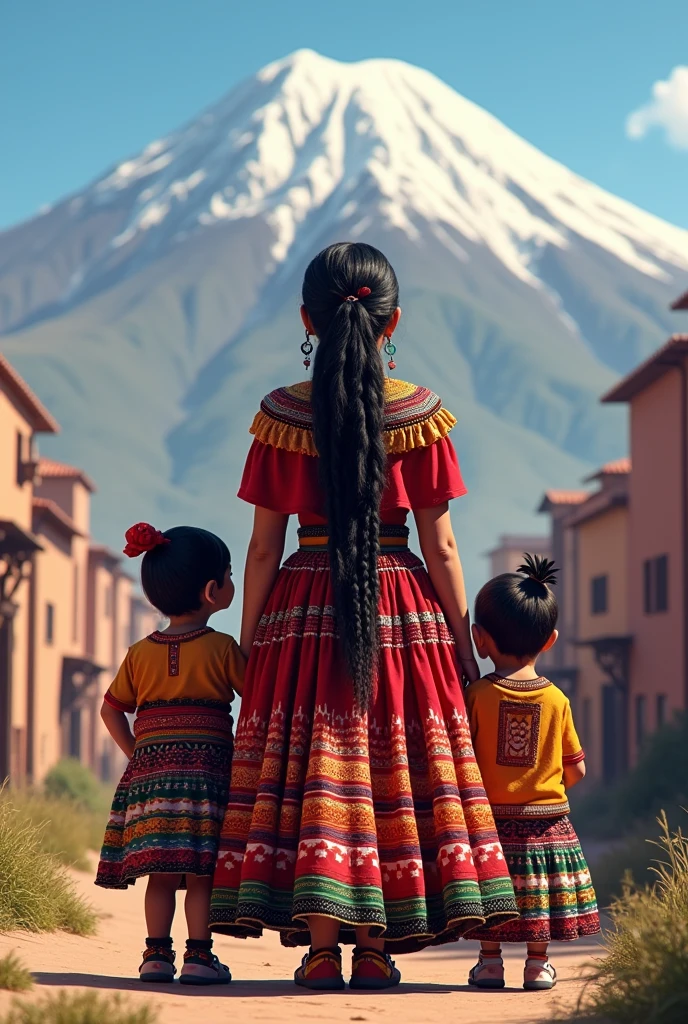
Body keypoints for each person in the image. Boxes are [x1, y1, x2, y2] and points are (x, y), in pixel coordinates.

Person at [209, 241, 518, 991]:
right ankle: (377, 947)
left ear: (308, 319)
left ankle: (319, 950)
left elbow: (259, 550)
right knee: (390, 769)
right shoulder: (420, 415)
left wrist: (252, 650)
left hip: (301, 611)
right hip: (402, 611)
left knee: (320, 765)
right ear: (393, 321)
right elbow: (441, 544)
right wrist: (462, 648)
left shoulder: (280, 415)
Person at [95, 522, 245, 986]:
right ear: (212, 591)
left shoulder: (139, 653)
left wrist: (138, 754)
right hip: (206, 778)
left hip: (151, 781)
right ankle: (199, 957)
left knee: (161, 873)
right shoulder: (222, 648)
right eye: (229, 574)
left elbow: (110, 709)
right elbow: (258, 699)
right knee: (200, 873)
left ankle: (155, 957)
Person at [464, 553, 600, 992]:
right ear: (551, 640)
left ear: (479, 639)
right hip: (548, 822)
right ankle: (537, 965)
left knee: (494, 891)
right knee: (538, 893)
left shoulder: (477, 695)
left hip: (489, 820)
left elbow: (462, 755)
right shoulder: (557, 698)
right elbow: (576, 767)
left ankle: (489, 963)